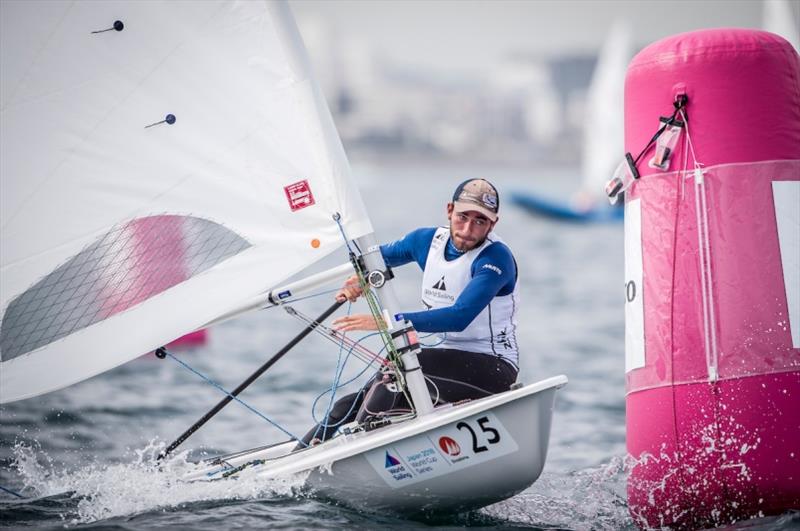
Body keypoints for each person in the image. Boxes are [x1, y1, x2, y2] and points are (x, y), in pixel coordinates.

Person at [299, 178, 519, 445]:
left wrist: (387, 322)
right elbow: (372, 259)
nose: (468, 229)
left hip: (492, 368)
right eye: (462, 217)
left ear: (493, 224)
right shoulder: (425, 242)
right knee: (349, 405)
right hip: (446, 362)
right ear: (449, 210)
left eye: (480, 221)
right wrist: (360, 279)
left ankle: (357, 446)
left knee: (397, 370)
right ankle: (298, 457)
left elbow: (459, 317)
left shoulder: (495, 259)